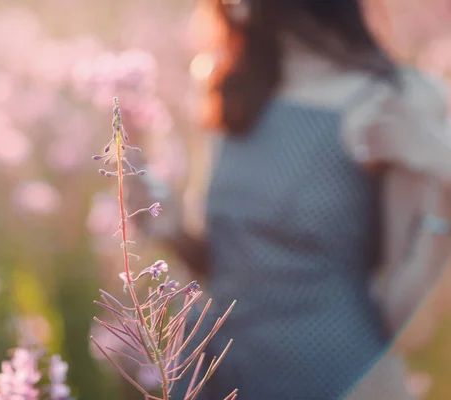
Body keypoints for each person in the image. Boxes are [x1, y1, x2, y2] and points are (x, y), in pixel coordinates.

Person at [127, 0, 451, 399]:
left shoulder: (392, 99)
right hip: (220, 375)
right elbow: (227, 266)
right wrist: (173, 232)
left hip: (338, 382)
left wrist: (444, 190)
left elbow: (409, 320)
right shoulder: (233, 81)